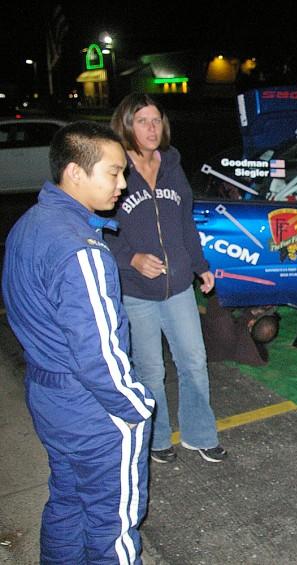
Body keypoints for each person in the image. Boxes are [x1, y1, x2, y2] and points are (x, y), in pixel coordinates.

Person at [2, 121, 154, 563]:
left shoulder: (30, 225)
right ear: (74, 172)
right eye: (113, 173)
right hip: (92, 409)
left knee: (68, 502)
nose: (122, 185)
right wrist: (136, 408)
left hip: (49, 397)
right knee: (114, 529)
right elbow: (99, 355)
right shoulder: (81, 250)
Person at [105, 93, 227, 464]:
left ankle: (199, 434)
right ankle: (156, 440)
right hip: (136, 291)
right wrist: (132, 259)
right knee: (151, 371)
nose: (151, 128)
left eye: (156, 120)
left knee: (193, 360)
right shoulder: (115, 169)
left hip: (178, 287)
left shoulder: (172, 164)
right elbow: (100, 230)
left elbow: (184, 223)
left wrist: (200, 265)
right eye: (142, 121)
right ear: (127, 125)